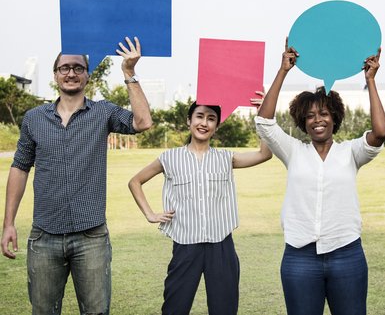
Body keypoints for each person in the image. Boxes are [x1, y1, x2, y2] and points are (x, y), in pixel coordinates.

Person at [1, 36, 152, 315]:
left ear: (87, 74)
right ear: (56, 74)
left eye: (78, 68)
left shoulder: (103, 112)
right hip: (44, 236)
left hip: (91, 237)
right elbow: (20, 168)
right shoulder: (34, 119)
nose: (71, 73)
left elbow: (143, 122)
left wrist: (129, 73)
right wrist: (8, 223)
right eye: (64, 68)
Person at [254, 38, 385, 315]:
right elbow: (264, 122)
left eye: (324, 113)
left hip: (346, 254)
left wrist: (371, 80)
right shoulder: (293, 151)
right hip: (299, 257)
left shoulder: (351, 152)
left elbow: (380, 132)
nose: (318, 120)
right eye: (310, 115)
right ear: (303, 121)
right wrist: (283, 70)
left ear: (335, 118)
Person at [128, 99, 272, 315]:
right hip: (186, 246)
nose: (204, 123)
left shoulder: (226, 158)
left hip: (221, 246)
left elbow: (264, 154)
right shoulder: (169, 158)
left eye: (211, 118)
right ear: (189, 120)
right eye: (200, 116)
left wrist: (263, 115)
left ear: (216, 126)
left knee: (224, 309)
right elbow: (135, 181)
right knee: (174, 308)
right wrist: (150, 214)